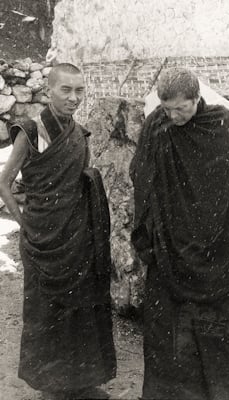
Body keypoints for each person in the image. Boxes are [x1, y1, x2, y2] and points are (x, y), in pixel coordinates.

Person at [130, 68, 229, 400]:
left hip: (219, 245)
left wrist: (202, 230)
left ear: (196, 98)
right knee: (171, 334)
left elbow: (226, 185)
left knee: (224, 331)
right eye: (167, 108)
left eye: (181, 109)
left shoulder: (222, 123)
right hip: (171, 245)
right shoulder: (158, 125)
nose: (174, 116)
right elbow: (140, 175)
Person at [0, 63, 116, 400]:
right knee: (47, 311)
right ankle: (51, 384)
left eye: (80, 90)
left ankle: (81, 380)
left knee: (81, 308)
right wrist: (25, 223)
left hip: (78, 234)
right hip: (43, 238)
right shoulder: (30, 130)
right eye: (66, 90)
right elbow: (4, 182)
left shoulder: (80, 133)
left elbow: (83, 180)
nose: (74, 98)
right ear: (49, 91)